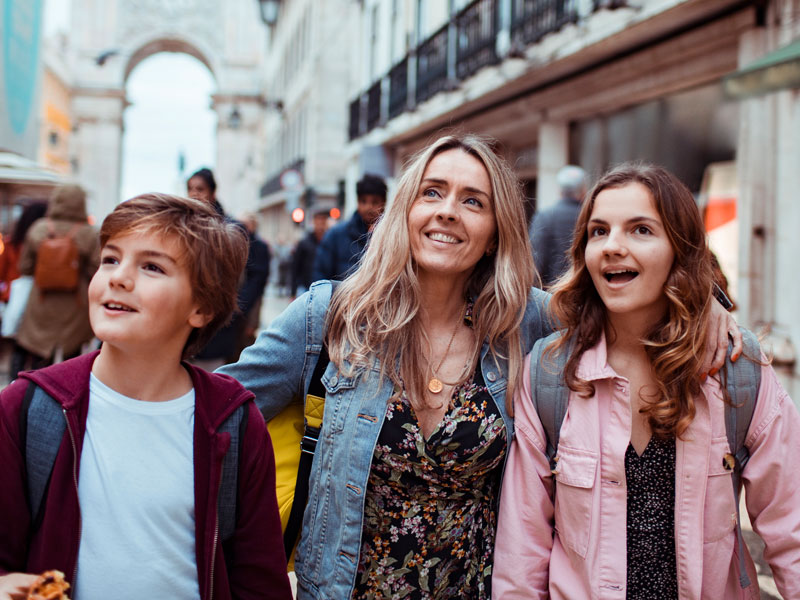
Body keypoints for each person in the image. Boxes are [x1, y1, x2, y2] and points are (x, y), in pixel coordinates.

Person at [218, 137, 739, 599]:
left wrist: (707, 306)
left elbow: (626, 303)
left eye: (473, 201)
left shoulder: (525, 321)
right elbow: (213, 414)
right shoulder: (329, 318)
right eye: (432, 192)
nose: (448, 211)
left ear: (494, 233)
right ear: (404, 212)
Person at [493, 164, 800, 598]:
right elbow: (522, 551)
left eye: (640, 230)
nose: (612, 246)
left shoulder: (735, 368)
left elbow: (791, 529)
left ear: (680, 248)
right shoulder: (549, 374)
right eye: (599, 231)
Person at [0, 194, 292, 600]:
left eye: (152, 266)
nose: (118, 277)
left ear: (201, 307)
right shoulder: (29, 406)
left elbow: (260, 580)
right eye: (110, 259)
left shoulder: (233, 421)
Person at [187, 168, 269, 367]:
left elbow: (256, 275)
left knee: (217, 373)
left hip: (222, 323)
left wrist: (237, 307)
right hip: (189, 320)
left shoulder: (231, 228)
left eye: (200, 189)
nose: (194, 194)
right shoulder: (184, 227)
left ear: (212, 192)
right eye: (190, 188)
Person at [15, 184, 99, 369]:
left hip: (41, 301)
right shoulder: (90, 233)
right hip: (76, 304)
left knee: (36, 358)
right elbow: (96, 270)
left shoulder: (38, 228)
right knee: (71, 361)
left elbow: (25, 268)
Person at [0, 201, 48, 379]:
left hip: (14, 299)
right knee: (35, 347)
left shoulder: (11, 243)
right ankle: (31, 382)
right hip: (38, 299)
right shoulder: (47, 244)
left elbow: (2, 273)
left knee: (18, 345)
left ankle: (14, 382)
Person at [311, 173, 386, 281]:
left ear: (383, 203)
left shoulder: (392, 236)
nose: (369, 207)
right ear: (357, 202)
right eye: (363, 201)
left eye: (375, 202)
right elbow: (320, 275)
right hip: (343, 291)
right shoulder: (336, 235)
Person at [529, 165, 587, 289]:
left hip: (552, 292)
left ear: (559, 190)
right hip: (583, 291)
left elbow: (536, 260)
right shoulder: (589, 217)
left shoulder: (545, 216)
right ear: (583, 191)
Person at [290, 207, 328, 297]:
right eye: (318, 222)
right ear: (314, 222)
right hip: (306, 287)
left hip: (325, 288)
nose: (320, 226)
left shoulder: (330, 242)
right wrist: (293, 292)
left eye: (323, 222)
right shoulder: (304, 243)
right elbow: (295, 268)